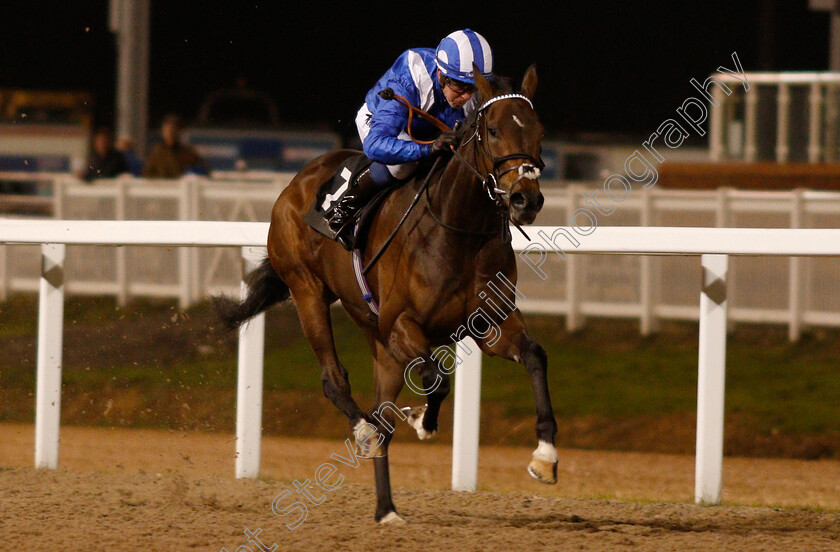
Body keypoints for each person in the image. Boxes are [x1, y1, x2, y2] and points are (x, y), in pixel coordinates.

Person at [327, 29, 494, 238]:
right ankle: (345, 207)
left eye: (473, 87)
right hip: (383, 123)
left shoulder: (473, 89)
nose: (467, 96)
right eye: (460, 86)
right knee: (402, 166)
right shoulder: (412, 74)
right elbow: (375, 144)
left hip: (429, 130)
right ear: (441, 74)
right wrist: (427, 149)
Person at [143, 114, 209, 178]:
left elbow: (203, 169)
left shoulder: (187, 152)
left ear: (178, 132)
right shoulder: (157, 152)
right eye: (167, 131)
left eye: (173, 131)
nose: (170, 134)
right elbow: (147, 175)